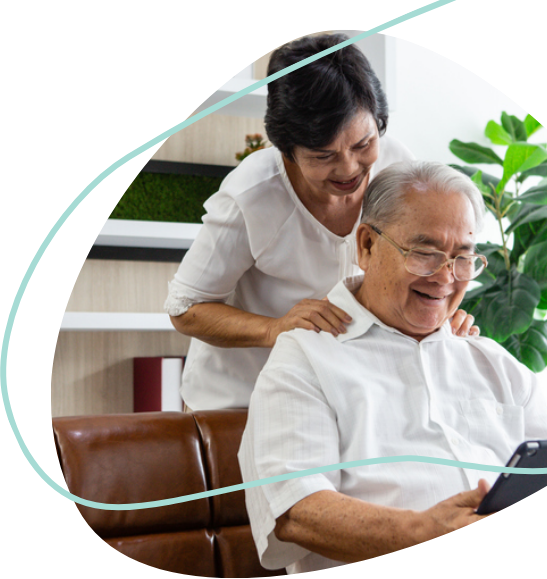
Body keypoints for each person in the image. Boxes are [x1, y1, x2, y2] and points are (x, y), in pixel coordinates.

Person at [237, 160, 547, 574]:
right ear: (367, 246)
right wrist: (423, 530)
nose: (446, 277)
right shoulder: (305, 358)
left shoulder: (498, 364)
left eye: (462, 258)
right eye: (424, 253)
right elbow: (294, 509)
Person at [165, 33, 477, 411]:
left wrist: (437, 315)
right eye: (322, 155)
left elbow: (418, 265)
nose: (349, 168)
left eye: (363, 145)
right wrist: (274, 328)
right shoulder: (253, 194)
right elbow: (185, 307)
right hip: (239, 401)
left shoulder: (397, 170)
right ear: (287, 149)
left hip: (340, 398)